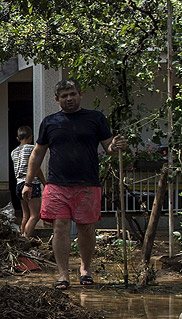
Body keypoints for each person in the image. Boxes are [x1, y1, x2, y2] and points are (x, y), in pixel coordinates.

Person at [22, 79, 127, 289]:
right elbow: (38, 153)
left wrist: (116, 145)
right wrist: (28, 182)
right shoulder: (50, 122)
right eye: (64, 96)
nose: (69, 98)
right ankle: (63, 274)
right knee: (60, 226)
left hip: (88, 184)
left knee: (86, 228)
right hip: (57, 184)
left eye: (72, 94)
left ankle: (85, 269)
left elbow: (108, 147)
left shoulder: (95, 118)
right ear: (57, 100)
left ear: (80, 94)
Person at [10, 125, 43, 238]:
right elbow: (36, 168)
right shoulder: (31, 148)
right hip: (30, 183)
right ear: (31, 137)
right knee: (35, 215)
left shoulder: (14, 152)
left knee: (25, 215)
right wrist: (45, 183)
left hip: (19, 184)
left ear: (18, 139)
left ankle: (20, 237)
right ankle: (25, 239)